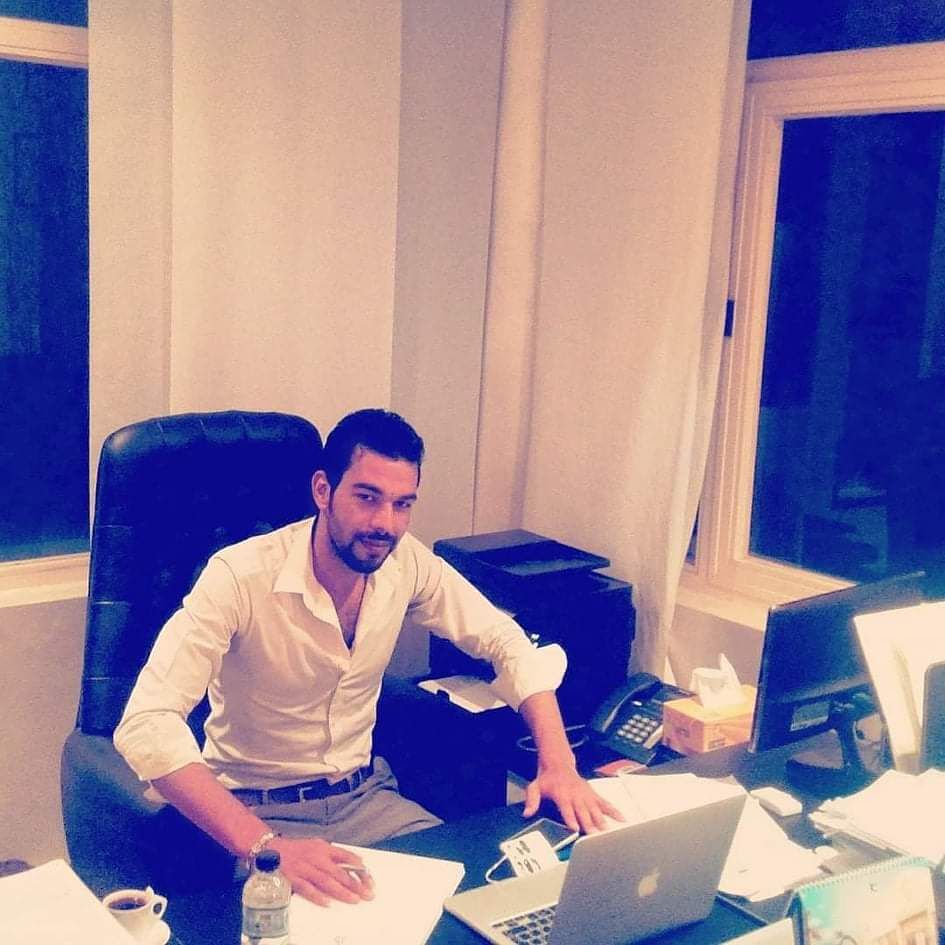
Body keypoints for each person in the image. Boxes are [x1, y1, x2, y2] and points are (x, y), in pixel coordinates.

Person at [114, 408, 619, 906]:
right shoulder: (240, 576)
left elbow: (504, 640)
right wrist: (267, 847)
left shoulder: (406, 562)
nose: (384, 524)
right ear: (323, 490)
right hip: (259, 815)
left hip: (367, 802)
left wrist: (558, 763)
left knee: (473, 903)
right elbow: (146, 724)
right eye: (367, 497)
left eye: (402, 504)